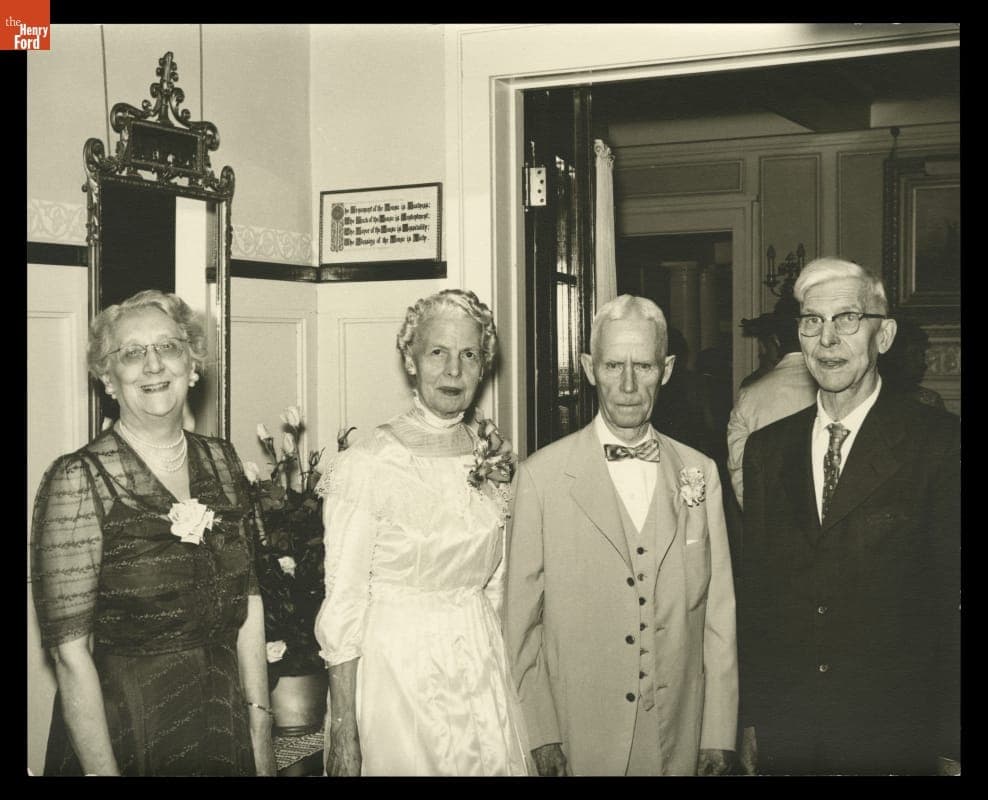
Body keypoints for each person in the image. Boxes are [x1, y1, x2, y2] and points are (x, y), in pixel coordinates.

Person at [30, 290, 276, 776]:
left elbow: (249, 604)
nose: (153, 365)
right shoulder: (78, 479)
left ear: (193, 363)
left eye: (168, 347)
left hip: (221, 725)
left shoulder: (222, 461)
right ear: (107, 377)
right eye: (132, 353)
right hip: (127, 729)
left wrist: (261, 733)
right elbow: (69, 653)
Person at [739, 258, 960, 775]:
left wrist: (951, 741)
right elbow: (758, 596)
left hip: (897, 736)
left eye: (847, 319)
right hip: (791, 735)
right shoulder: (767, 450)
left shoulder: (938, 444)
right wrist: (752, 717)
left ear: (883, 337)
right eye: (812, 321)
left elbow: (953, 602)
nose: (827, 339)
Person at [505, 294, 738, 776]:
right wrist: (541, 731)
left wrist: (718, 732)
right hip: (579, 735)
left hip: (679, 733)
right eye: (614, 366)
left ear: (667, 369)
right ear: (589, 368)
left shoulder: (701, 472)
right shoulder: (541, 478)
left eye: (644, 366)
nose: (628, 386)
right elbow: (521, 627)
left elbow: (719, 614)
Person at [314, 288, 530, 776]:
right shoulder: (368, 465)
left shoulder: (492, 457)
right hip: (396, 676)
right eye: (438, 352)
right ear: (411, 361)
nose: (453, 371)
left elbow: (498, 588)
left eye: (468, 355)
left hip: (480, 666)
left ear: (483, 366)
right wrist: (345, 728)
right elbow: (343, 601)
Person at [726, 294, 817, 509]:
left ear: (776, 340)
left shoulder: (751, 395)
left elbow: (741, 475)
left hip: (774, 519)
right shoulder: (840, 388)